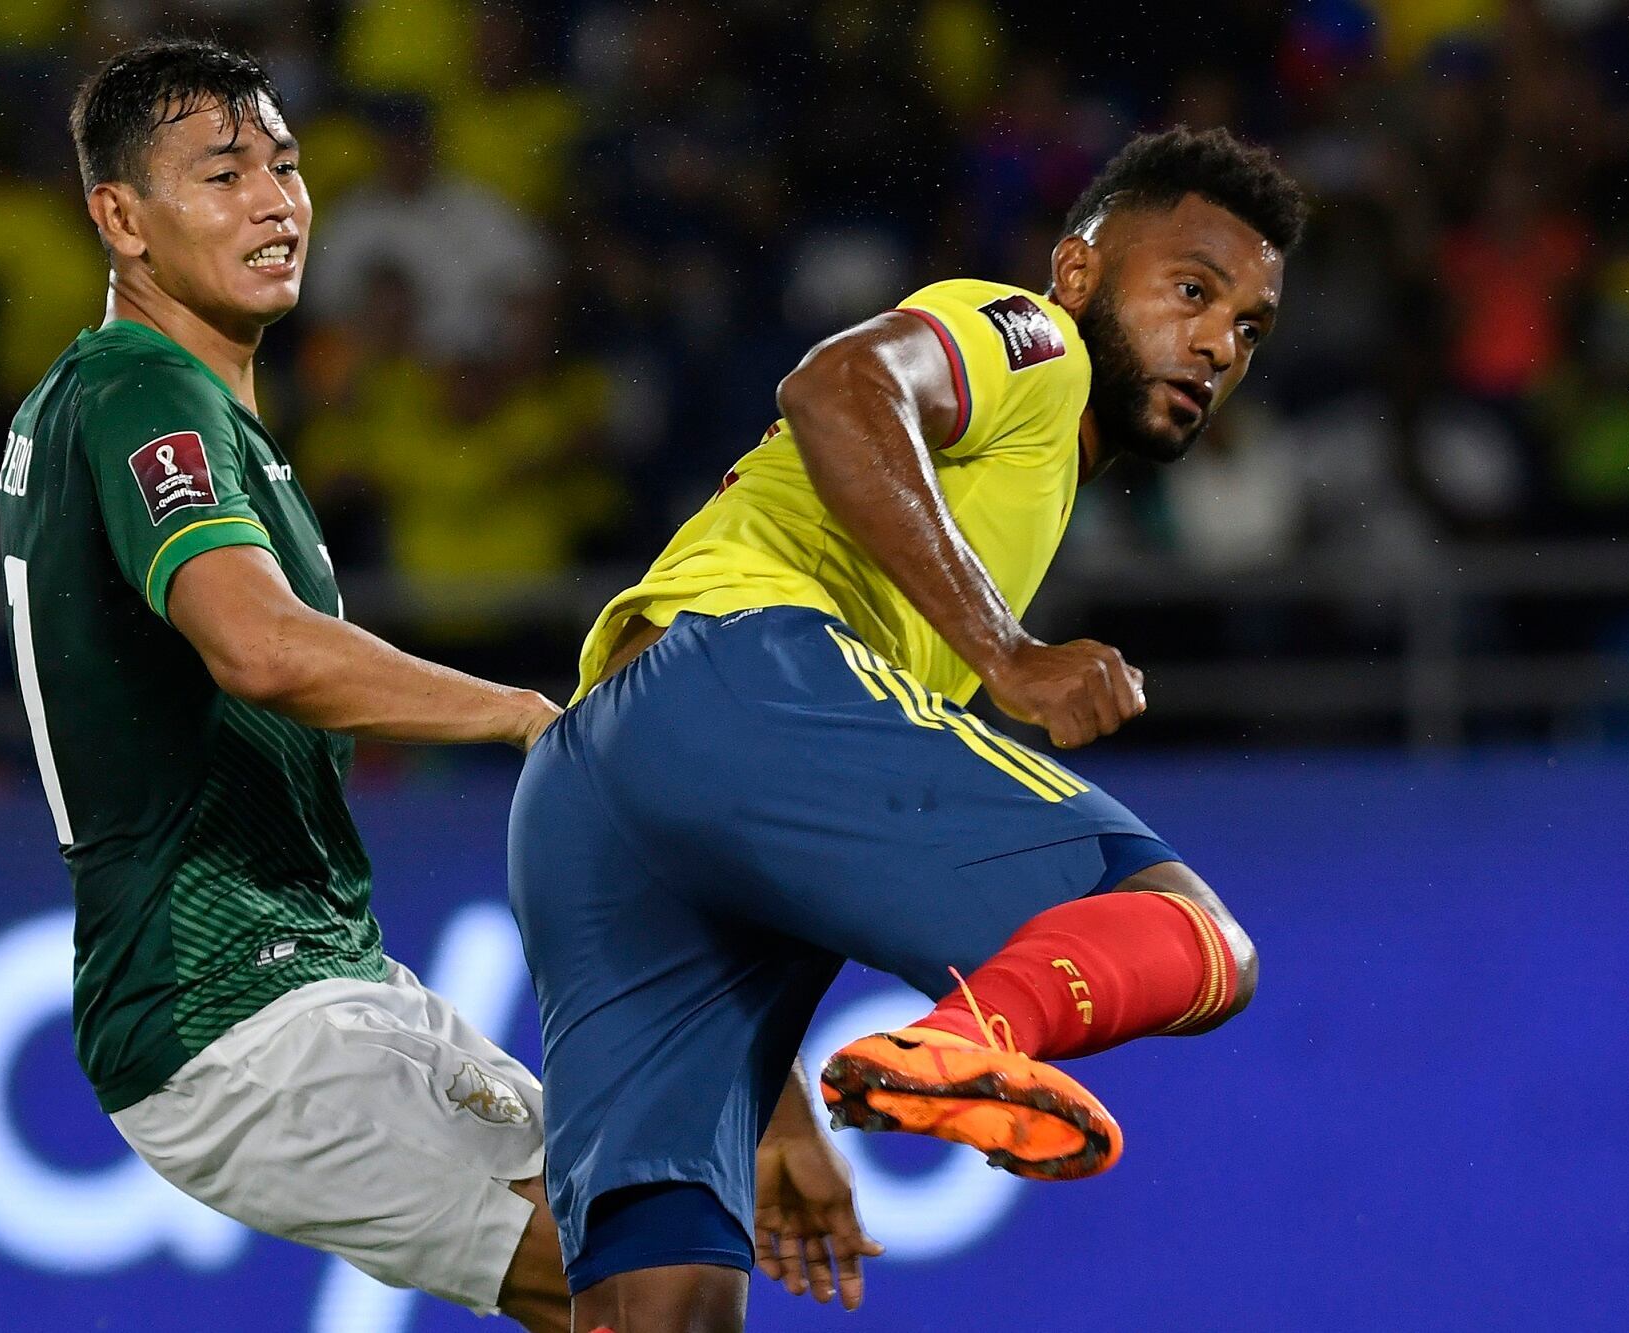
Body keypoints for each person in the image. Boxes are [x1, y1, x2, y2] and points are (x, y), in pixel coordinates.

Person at [510, 126, 1306, 1331]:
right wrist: (1007, 654)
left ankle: (922, 1057)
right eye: (1191, 291)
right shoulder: (1033, 341)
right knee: (1193, 936)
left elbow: (715, 825)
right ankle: (967, 1039)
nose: (1215, 344)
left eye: (1248, 329)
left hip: (591, 786)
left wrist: (777, 1111)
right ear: (1078, 269)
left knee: (658, 1302)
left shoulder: (1018, 478)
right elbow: (835, 386)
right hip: (741, 682)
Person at [0, 39, 575, 1328]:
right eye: (223, 175)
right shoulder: (142, 392)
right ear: (120, 220)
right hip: (227, 1005)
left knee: (658, 1259)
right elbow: (258, 647)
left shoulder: (170, 402)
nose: (275, 202)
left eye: (287, 166)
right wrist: (532, 719)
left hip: (313, 972)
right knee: (621, 1278)